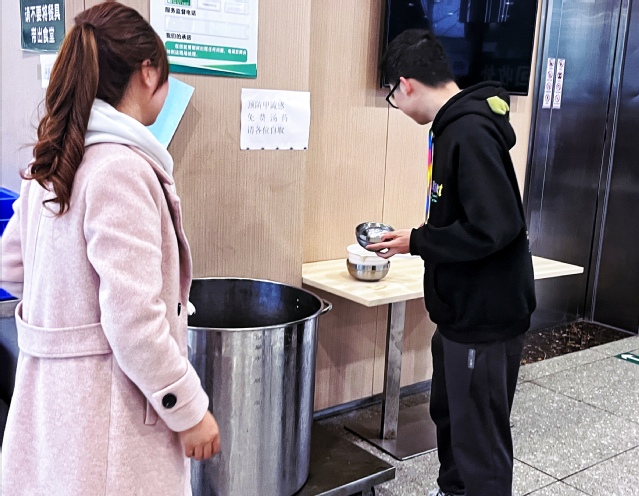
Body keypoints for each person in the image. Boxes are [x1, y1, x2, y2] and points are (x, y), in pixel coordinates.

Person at [0, 2, 220, 494]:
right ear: (148, 72)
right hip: (112, 425)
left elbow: (12, 268)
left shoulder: (53, 163)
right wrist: (189, 410)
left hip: (52, 416)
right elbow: (134, 320)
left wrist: (68, 318)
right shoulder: (120, 169)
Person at [368, 29, 536, 496]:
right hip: (462, 314)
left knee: (478, 441)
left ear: (405, 85)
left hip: (485, 318)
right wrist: (416, 240)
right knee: (453, 421)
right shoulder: (452, 127)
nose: (397, 105)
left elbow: (495, 226)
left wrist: (419, 241)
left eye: (392, 96)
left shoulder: (469, 131)